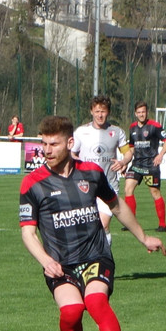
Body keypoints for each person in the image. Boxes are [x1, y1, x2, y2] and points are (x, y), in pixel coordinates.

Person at [20, 115, 166, 331]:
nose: (47, 150)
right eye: (43, 144)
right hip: (60, 264)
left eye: (53, 144)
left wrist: (144, 238)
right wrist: (46, 261)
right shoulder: (33, 183)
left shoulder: (91, 173)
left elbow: (117, 206)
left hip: (96, 255)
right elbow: (28, 233)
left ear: (69, 143)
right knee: (72, 312)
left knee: (96, 303)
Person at [71, 95, 129, 245]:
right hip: (85, 187)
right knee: (87, 228)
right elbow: (72, 153)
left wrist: (123, 162)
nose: (100, 115)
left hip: (108, 187)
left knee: (103, 225)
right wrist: (78, 164)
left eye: (103, 111)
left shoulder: (116, 132)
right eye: (97, 111)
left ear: (108, 112)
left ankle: (105, 255)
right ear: (91, 111)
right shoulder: (81, 132)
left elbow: (128, 153)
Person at [119, 101, 166, 232]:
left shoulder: (155, 126)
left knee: (155, 192)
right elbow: (131, 147)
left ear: (147, 112)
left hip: (151, 165)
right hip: (136, 164)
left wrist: (161, 155)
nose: (141, 114)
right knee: (128, 189)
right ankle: (130, 223)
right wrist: (125, 163)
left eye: (143, 112)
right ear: (135, 113)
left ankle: (162, 225)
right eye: (139, 112)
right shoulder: (132, 127)